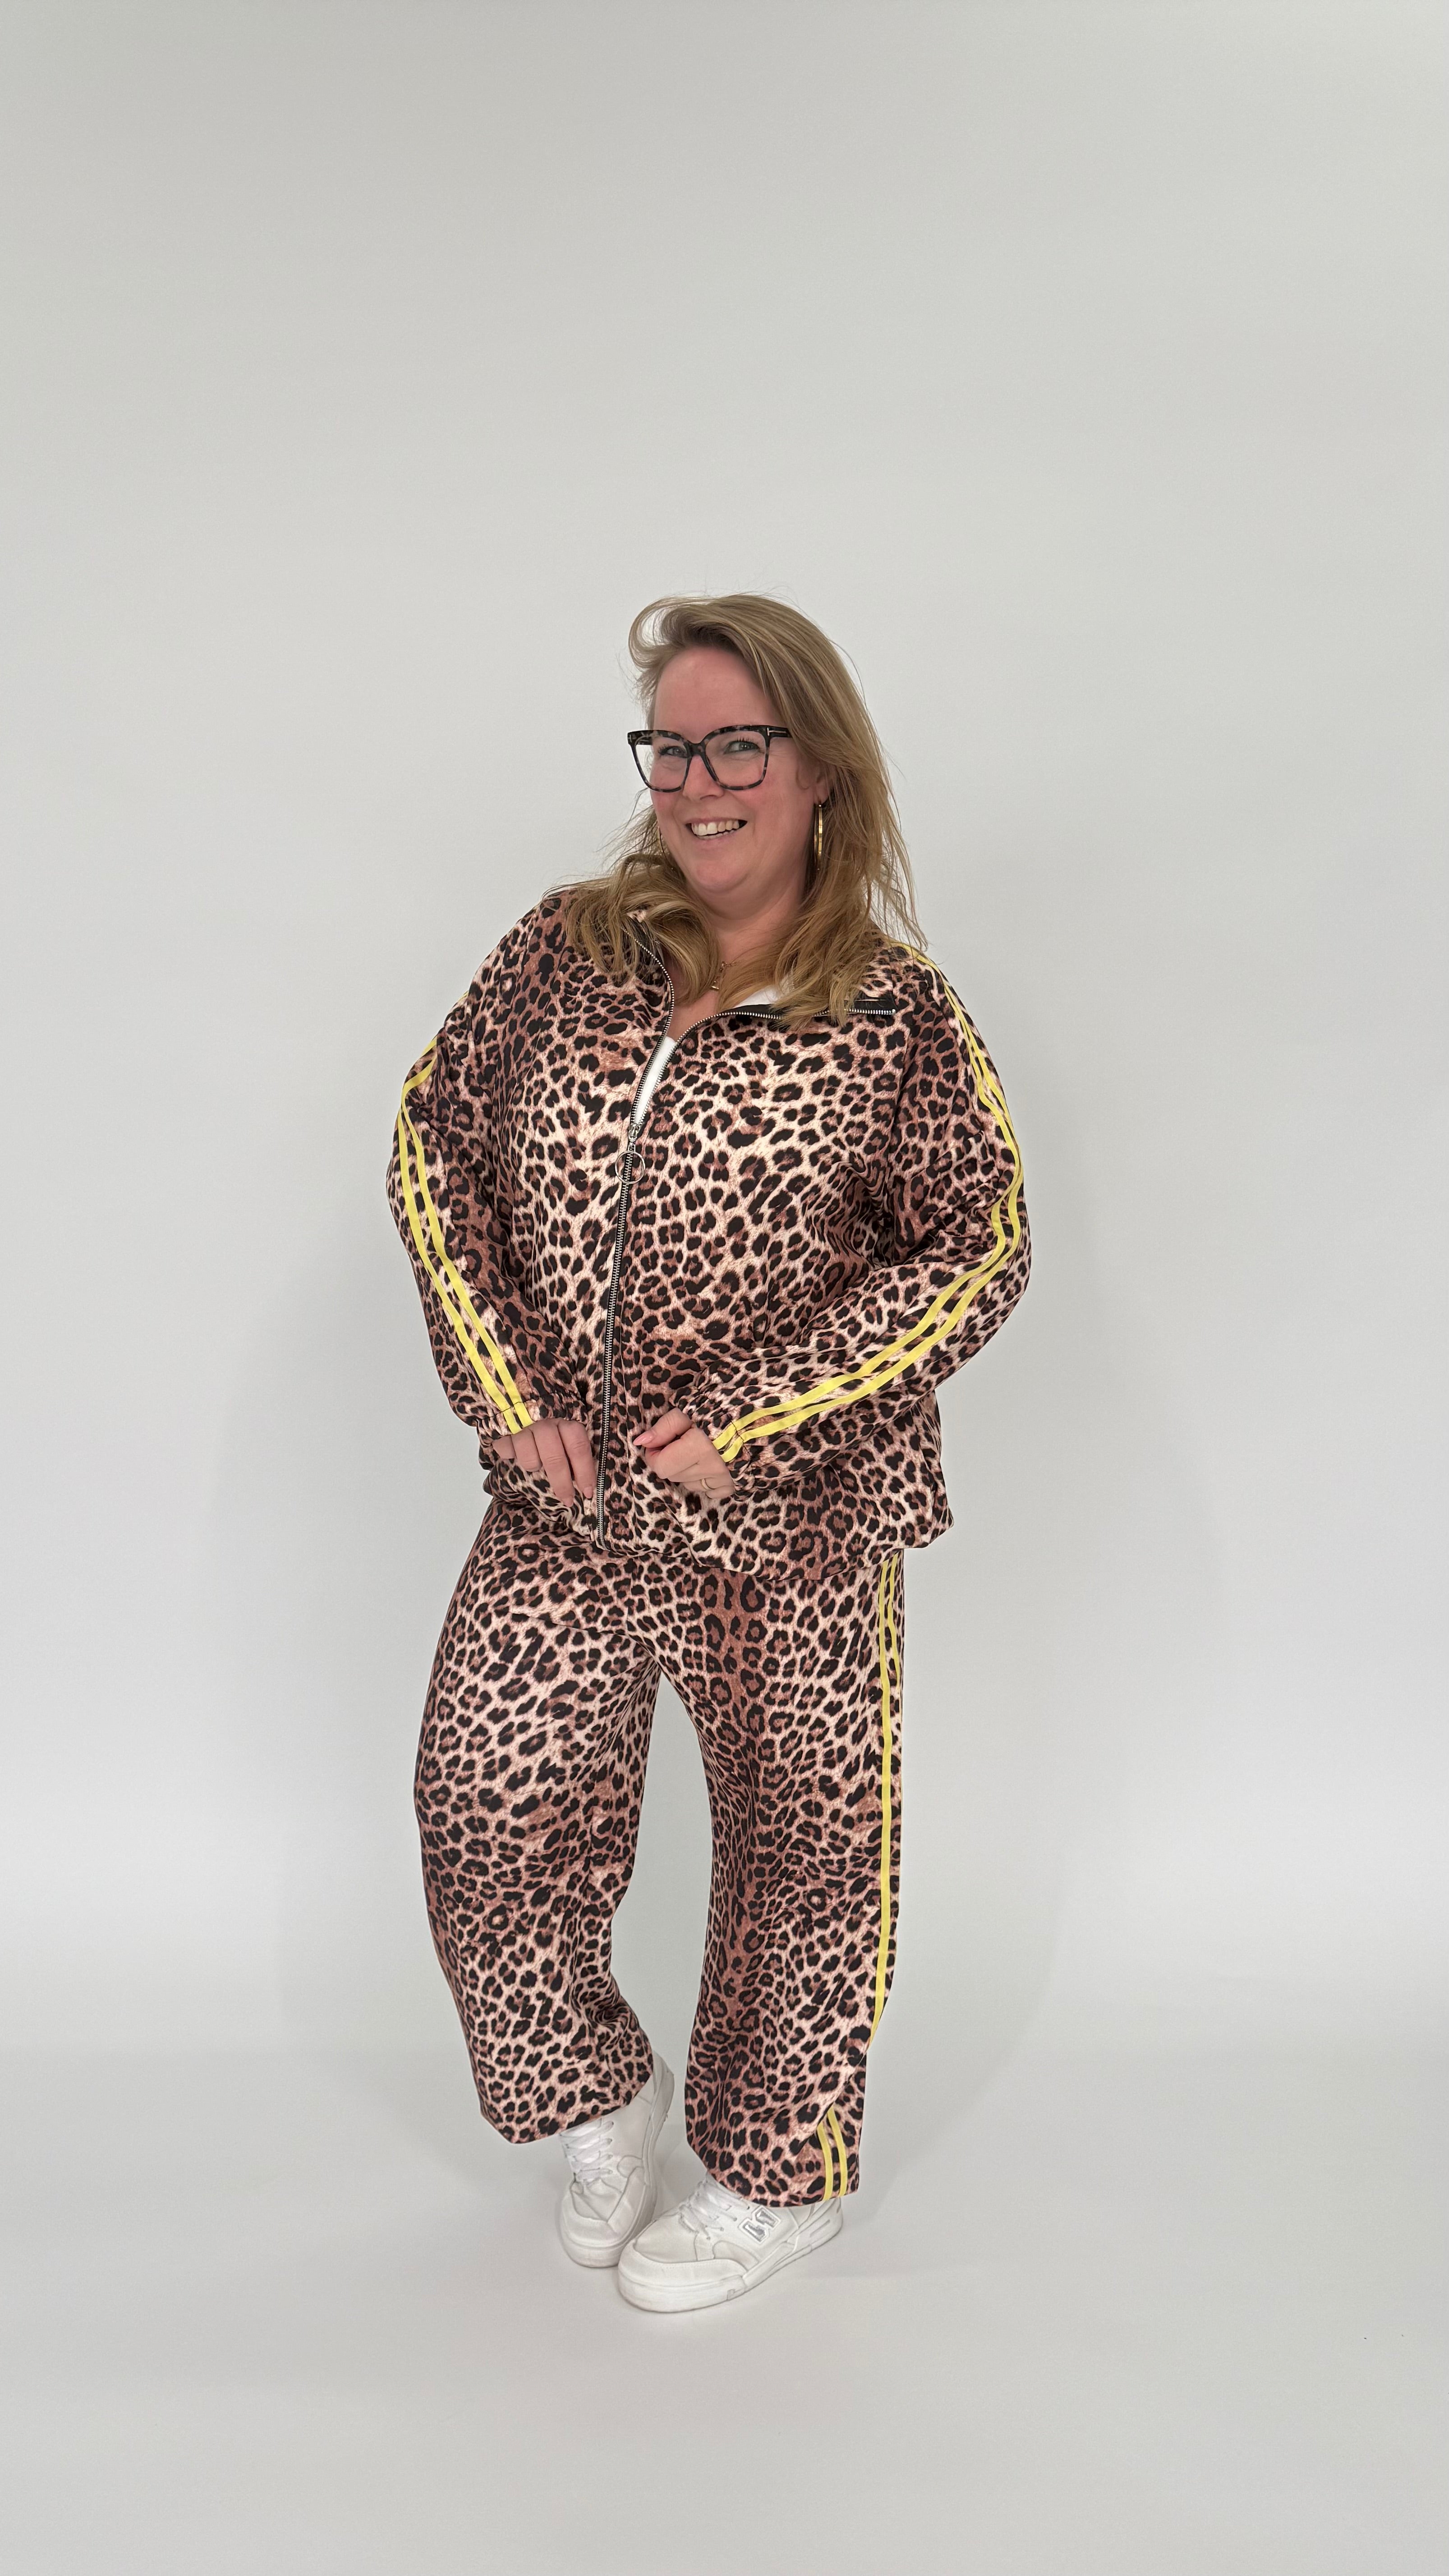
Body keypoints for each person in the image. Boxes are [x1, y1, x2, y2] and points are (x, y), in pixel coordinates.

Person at [387, 593, 1030, 2314]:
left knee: (801, 1852)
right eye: (670, 747)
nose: (697, 782)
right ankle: (601, 2100)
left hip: (790, 1519)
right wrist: (505, 1383)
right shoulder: (567, 950)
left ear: (820, 769)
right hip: (569, 1501)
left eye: (738, 743)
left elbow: (980, 1246)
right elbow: (433, 1139)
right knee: (486, 1807)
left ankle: (771, 2181)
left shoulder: (893, 1015)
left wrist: (757, 1415)